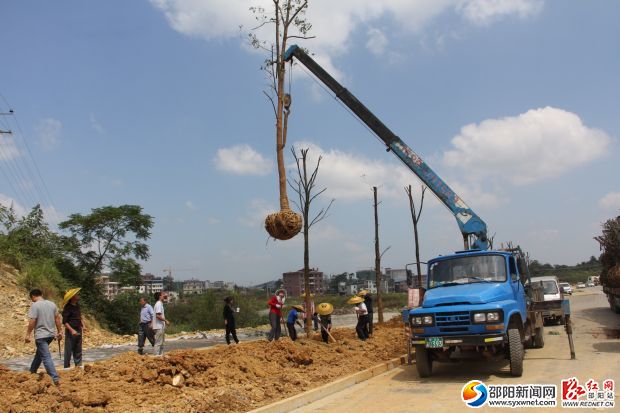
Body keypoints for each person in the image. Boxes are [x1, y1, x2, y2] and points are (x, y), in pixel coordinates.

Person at [25, 289, 62, 385]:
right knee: (39, 354)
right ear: (41, 294)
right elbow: (57, 318)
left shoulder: (35, 305)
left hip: (41, 336)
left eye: (32, 298)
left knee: (45, 356)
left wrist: (28, 334)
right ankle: (32, 372)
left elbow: (33, 320)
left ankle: (55, 378)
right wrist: (60, 331)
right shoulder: (52, 304)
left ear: (33, 296)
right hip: (50, 335)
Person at [61, 288, 84, 368]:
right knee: (68, 349)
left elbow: (79, 317)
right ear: (72, 297)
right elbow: (64, 322)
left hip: (78, 329)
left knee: (78, 348)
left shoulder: (77, 306)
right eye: (76, 294)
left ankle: (78, 366)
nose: (78, 296)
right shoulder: (67, 307)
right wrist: (71, 330)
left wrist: (82, 324)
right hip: (71, 330)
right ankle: (66, 367)